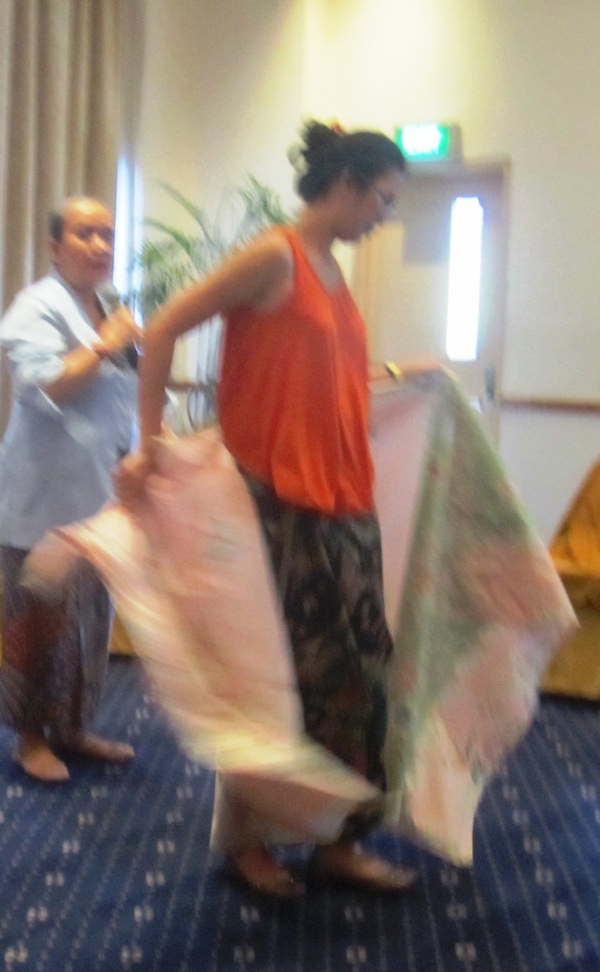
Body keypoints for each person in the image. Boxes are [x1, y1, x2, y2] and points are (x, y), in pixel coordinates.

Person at [118, 122, 419, 896]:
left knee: (359, 678)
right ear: (346, 186)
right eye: (382, 200)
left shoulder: (332, 272)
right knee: (268, 680)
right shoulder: (272, 256)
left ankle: (336, 840)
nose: (383, 217)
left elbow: (323, 379)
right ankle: (247, 842)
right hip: (274, 507)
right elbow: (164, 326)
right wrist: (147, 442)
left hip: (343, 507)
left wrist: (397, 373)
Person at [0, 196, 140, 782]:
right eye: (85, 234)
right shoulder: (36, 306)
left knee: (89, 621)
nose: (101, 245)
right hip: (43, 494)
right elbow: (49, 386)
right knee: (38, 618)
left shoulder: (110, 304)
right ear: (55, 247)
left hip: (99, 494)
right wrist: (104, 342)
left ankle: (74, 728)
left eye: (108, 234)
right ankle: (31, 740)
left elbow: (123, 393)